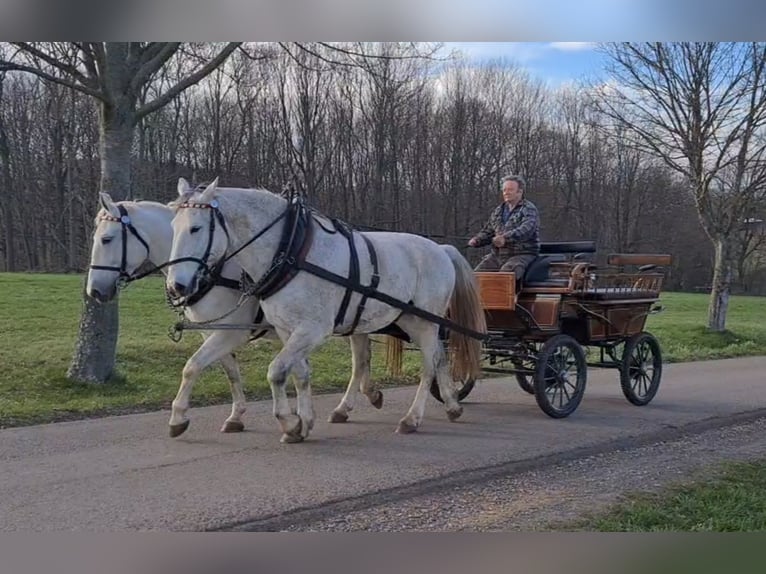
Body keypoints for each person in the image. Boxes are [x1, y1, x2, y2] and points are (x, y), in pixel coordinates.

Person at [468, 175, 540, 282]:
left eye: (510, 190)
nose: (506, 192)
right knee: (474, 278)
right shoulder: (498, 211)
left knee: (504, 278)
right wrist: (477, 240)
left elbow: (526, 230)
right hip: (497, 255)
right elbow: (488, 231)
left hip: (521, 255)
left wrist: (505, 238)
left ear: (520, 192)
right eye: (504, 190)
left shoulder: (529, 209)